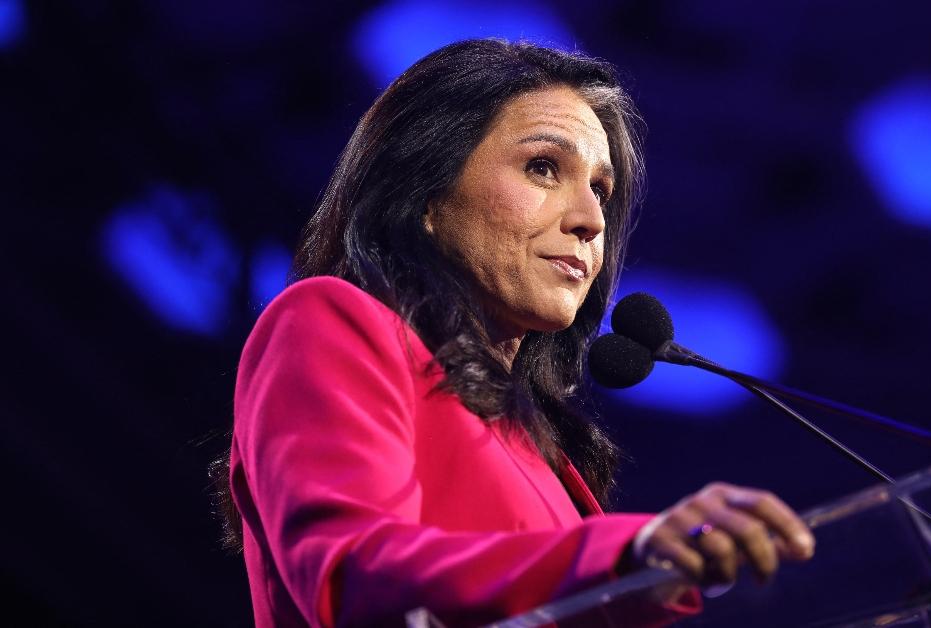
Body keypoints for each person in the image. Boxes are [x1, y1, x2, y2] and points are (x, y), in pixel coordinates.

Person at [211, 39, 815, 627]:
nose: (589, 221)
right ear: (426, 192)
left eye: (601, 191)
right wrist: (628, 553)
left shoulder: (547, 454)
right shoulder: (330, 320)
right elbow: (352, 577)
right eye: (544, 168)